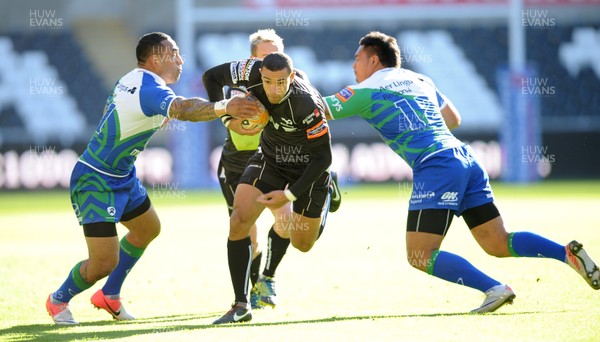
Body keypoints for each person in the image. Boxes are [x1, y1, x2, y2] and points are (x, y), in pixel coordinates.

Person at [323, 31, 600, 313]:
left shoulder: (364, 91)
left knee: (419, 254)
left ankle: (495, 289)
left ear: (373, 59)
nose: (353, 66)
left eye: (357, 59)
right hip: (465, 157)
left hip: (436, 164)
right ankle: (565, 253)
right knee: (497, 241)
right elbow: (453, 118)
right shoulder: (420, 80)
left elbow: (320, 109)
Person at [45, 32, 261, 325]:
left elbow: (120, 110)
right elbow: (183, 109)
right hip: (95, 180)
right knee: (103, 262)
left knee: (148, 228)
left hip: (122, 175)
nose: (181, 60)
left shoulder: (135, 80)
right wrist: (225, 107)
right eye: (175, 53)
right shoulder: (149, 88)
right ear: (156, 59)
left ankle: (109, 295)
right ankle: (59, 299)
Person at [214, 29, 341, 311]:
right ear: (253, 62)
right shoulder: (243, 86)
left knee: (293, 232)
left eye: (274, 57)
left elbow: (322, 149)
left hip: (288, 162)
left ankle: (267, 277)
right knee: (243, 228)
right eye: (262, 59)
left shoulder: (300, 92)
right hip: (237, 163)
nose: (268, 73)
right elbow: (213, 81)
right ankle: (243, 301)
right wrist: (227, 116)